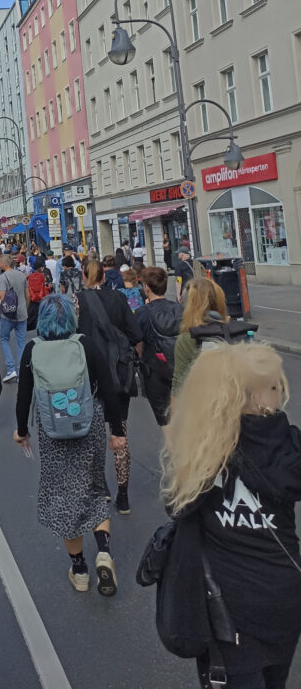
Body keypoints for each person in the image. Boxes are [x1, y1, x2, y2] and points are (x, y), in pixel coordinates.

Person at [161, 342, 301, 689]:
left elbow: (177, 505)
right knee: (276, 680)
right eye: (273, 385)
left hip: (229, 608)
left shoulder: (206, 447)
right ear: (253, 395)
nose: (280, 391)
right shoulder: (290, 443)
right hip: (284, 596)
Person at [14, 295, 126, 596]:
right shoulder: (85, 345)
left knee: (63, 495)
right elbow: (110, 389)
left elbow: (24, 396)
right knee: (93, 486)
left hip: (52, 433)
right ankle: (103, 551)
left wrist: (21, 430)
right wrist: (117, 431)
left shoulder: (32, 350)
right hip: (88, 426)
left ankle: (79, 569)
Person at [77, 261, 142, 515]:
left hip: (90, 375)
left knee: (94, 436)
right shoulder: (118, 298)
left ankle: (100, 487)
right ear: (105, 276)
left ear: (83, 276)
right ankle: (123, 495)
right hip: (117, 375)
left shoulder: (78, 301)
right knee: (119, 433)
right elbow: (135, 333)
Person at [135, 266, 182, 427]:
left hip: (154, 370)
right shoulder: (178, 309)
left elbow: (138, 343)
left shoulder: (142, 312)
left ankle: (175, 449)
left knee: (164, 420)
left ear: (147, 288)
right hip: (180, 368)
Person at [0, 254, 30, 382]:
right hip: (22, 313)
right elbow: (28, 295)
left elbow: (2, 295)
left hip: (8, 314)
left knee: (4, 338)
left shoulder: (2, 277)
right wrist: (25, 308)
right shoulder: (22, 275)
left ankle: (11, 369)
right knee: (21, 342)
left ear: (4, 264)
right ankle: (20, 370)